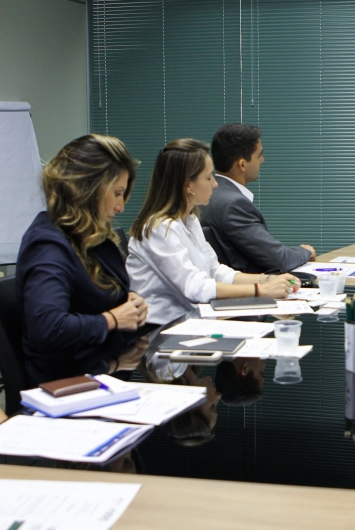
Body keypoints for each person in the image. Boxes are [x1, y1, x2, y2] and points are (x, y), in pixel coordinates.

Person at [16, 134, 150, 387]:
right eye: (118, 193)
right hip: (67, 389)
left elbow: (93, 299)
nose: (121, 206)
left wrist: (130, 302)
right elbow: (48, 327)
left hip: (102, 373)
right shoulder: (47, 245)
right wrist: (112, 319)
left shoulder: (89, 237)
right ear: (90, 189)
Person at [126, 139, 298, 325]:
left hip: (192, 321)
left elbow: (216, 271)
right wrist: (261, 290)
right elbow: (196, 287)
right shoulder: (159, 228)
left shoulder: (190, 221)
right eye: (208, 177)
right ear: (188, 185)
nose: (215, 184)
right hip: (161, 332)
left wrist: (268, 279)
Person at [200, 123, 316, 274]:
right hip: (249, 289)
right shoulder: (234, 204)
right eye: (259, 155)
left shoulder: (209, 195)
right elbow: (279, 258)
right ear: (242, 164)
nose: (262, 160)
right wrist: (305, 251)